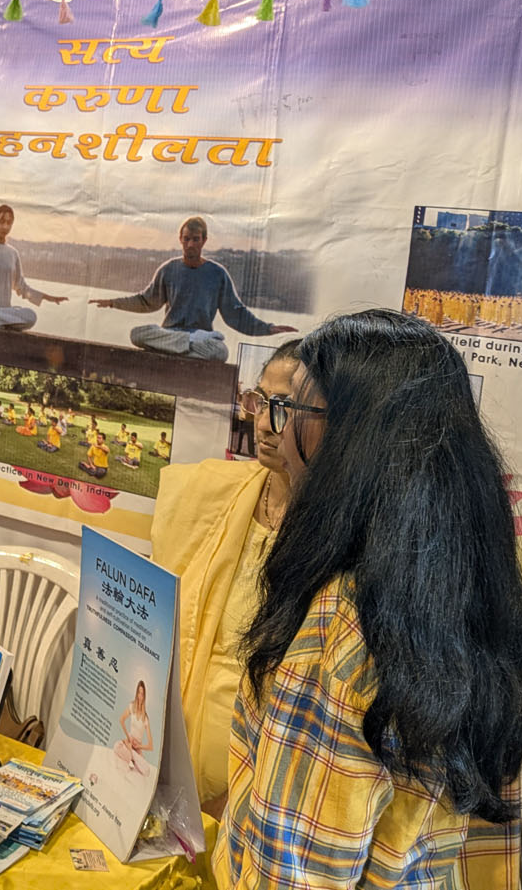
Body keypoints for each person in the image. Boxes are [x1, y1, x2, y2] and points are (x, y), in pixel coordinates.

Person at [215, 311, 522, 889]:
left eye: (291, 411)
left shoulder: (341, 623)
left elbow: (290, 876)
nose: (276, 433)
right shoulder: (464, 587)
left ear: (353, 439)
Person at [151, 341, 300, 812]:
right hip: (174, 755)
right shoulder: (215, 492)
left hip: (263, 790)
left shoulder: (328, 537)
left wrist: (238, 802)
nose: (263, 422)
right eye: (260, 401)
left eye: (283, 407)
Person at [90, 217, 295, 361]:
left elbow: (235, 314)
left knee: (220, 352)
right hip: (172, 333)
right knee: (136, 334)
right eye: (186, 238)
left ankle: (179, 346)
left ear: (204, 241)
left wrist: (268, 328)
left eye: (195, 239)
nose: (190, 244)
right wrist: (113, 303)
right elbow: (146, 301)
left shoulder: (217, 274)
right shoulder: (169, 269)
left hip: (200, 337)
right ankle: (185, 343)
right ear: (180, 239)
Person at [114, 681, 155, 775]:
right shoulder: (132, 706)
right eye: (139, 693)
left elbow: (150, 746)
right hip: (130, 740)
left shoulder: (145, 718)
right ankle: (133, 758)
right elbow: (121, 720)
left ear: (144, 696)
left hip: (137, 746)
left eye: (142, 694)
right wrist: (128, 737)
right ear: (136, 693)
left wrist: (138, 746)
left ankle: (132, 756)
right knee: (116, 746)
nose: (140, 696)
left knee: (147, 771)